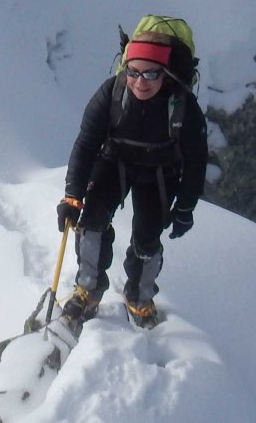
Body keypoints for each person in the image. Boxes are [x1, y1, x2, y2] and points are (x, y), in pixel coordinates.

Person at [54, 22, 208, 330]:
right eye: (134, 72)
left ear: (167, 73)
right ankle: (89, 287)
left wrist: (186, 207)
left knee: (147, 239)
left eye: (151, 73)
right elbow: (86, 143)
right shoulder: (112, 92)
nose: (140, 81)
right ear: (124, 68)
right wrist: (73, 194)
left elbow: (196, 160)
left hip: (160, 173)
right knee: (91, 223)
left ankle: (139, 295)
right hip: (115, 163)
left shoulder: (183, 106)